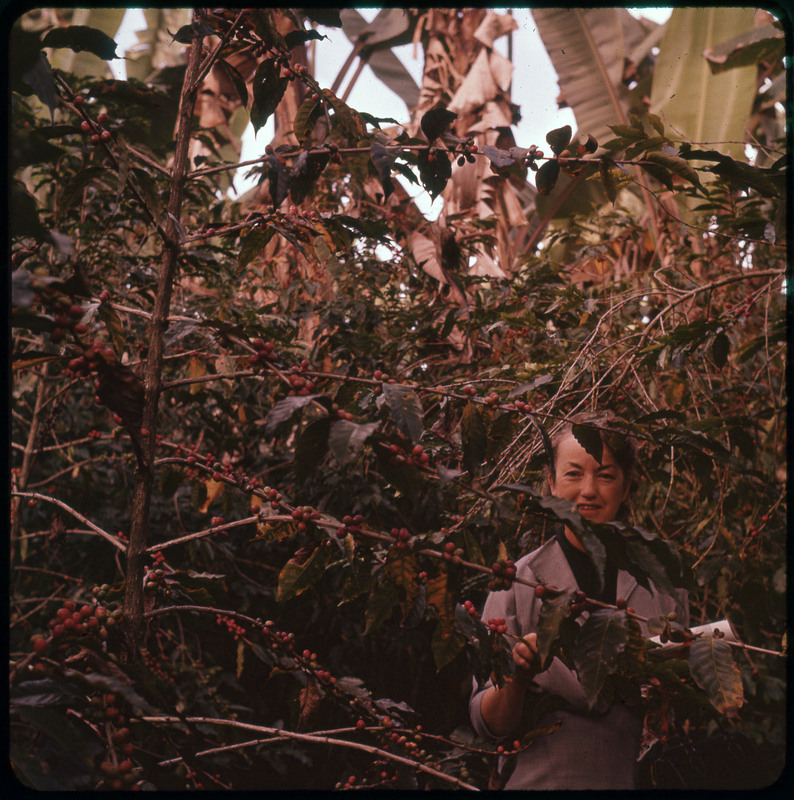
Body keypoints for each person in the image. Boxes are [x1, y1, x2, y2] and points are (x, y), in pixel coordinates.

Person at [469, 411, 689, 790]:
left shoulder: (664, 587)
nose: (588, 490)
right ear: (551, 483)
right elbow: (488, 724)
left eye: (605, 475)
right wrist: (518, 678)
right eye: (573, 474)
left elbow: (677, 710)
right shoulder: (517, 583)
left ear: (626, 485)